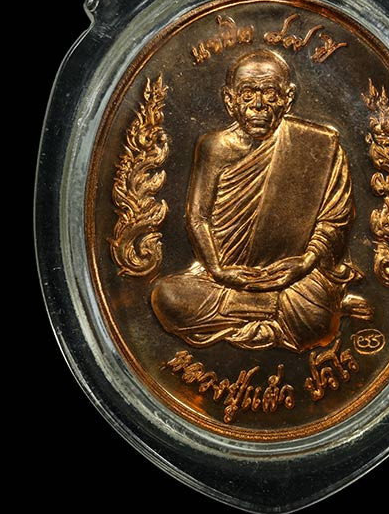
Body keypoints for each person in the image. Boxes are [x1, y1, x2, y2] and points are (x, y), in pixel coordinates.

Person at [151, 48, 371, 352]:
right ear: (230, 100)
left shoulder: (320, 145)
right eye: (247, 95)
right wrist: (218, 270)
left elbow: (335, 220)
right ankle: (276, 310)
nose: (258, 105)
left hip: (294, 275)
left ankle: (257, 313)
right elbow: (198, 217)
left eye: (270, 94)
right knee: (167, 297)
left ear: (288, 99)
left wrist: (305, 262)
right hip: (224, 277)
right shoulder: (214, 147)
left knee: (318, 320)